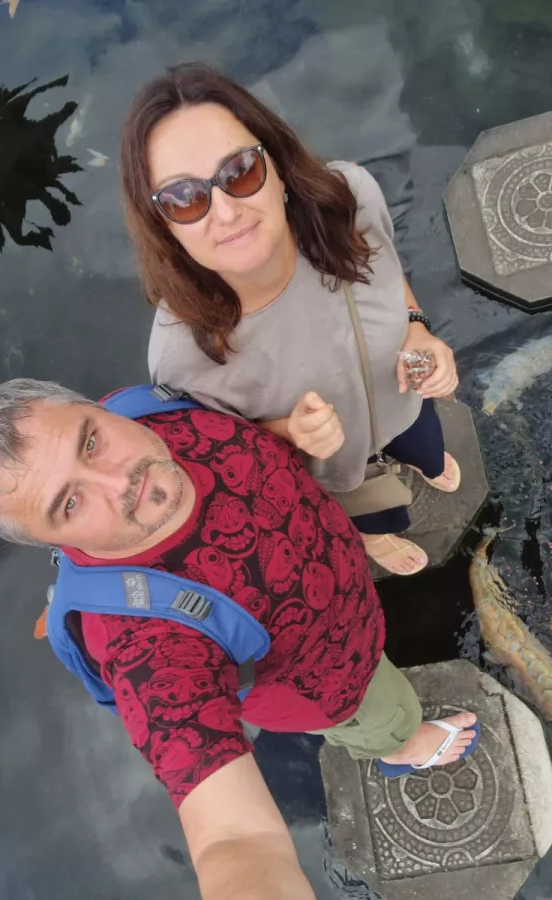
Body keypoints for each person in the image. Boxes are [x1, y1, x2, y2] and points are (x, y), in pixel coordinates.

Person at [0, 378, 479, 900]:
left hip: (345, 587)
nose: (120, 482)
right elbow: (234, 839)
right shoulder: (144, 646)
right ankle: (400, 748)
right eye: (70, 503)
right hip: (337, 683)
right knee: (388, 715)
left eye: (90, 442)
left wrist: (290, 431)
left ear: (95, 408)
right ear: (47, 541)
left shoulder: (148, 407)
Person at [120, 63, 462, 577]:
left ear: (277, 166)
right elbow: (226, 459)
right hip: (336, 466)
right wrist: (290, 433)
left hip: (404, 399)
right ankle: (374, 536)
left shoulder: (348, 199)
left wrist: (417, 325)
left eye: (240, 171)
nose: (226, 212)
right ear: (163, 226)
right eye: (183, 199)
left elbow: (389, 270)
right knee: (370, 510)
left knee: (428, 447)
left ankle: (423, 463)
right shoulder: (181, 357)